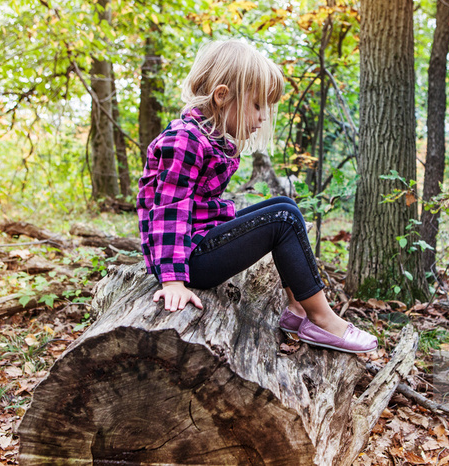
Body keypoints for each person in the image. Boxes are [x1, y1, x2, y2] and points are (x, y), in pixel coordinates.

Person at [137, 39, 377, 354]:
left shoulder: (208, 138)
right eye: (257, 105)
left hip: (198, 244)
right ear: (222, 96)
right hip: (190, 261)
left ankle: (298, 311)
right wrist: (172, 281)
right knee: (283, 220)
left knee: (285, 206)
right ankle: (322, 319)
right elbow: (167, 212)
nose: (263, 117)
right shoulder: (185, 141)